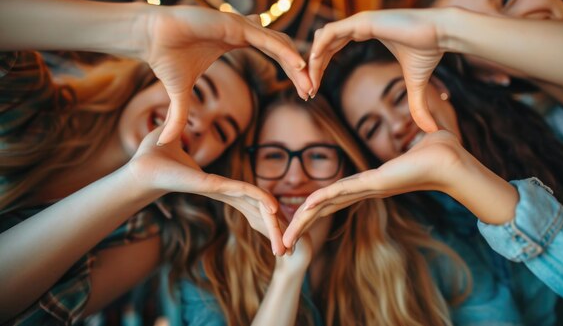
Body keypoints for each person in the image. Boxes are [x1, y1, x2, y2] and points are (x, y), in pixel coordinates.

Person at [0, 0, 311, 324]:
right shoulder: (28, 102)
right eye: (196, 92)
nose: (198, 123)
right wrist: (143, 30)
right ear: (150, 75)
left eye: (221, 131)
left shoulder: (144, 236)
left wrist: (137, 179)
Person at [284, 42, 563, 325]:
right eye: (372, 128)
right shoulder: (417, 244)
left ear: (440, 86)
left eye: (399, 96)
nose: (396, 125)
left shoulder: (548, 135)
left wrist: (463, 172)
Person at [305, 0, 563, 202]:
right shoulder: (556, 147)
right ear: (488, 77)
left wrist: (442, 29)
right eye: (371, 126)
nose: (517, 25)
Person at [179, 88, 476, 326]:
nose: (295, 176)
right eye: (273, 155)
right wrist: (288, 272)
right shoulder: (208, 276)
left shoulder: (426, 254)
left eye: (319, 156)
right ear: (248, 167)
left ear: (346, 168)